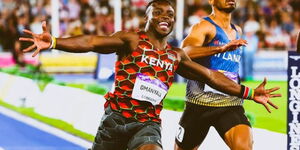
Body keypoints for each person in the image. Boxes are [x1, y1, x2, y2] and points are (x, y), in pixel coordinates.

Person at [19, 1, 280, 150]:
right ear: (147, 16)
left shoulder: (174, 55)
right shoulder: (130, 40)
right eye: (158, 12)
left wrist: (248, 93)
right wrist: (54, 41)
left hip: (147, 125)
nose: (164, 17)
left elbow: (211, 76)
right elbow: (90, 42)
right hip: (115, 121)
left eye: (170, 14)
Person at [175, 0, 279, 150]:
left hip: (230, 104)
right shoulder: (203, 26)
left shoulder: (238, 30)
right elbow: (184, 53)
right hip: (199, 104)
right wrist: (220, 48)